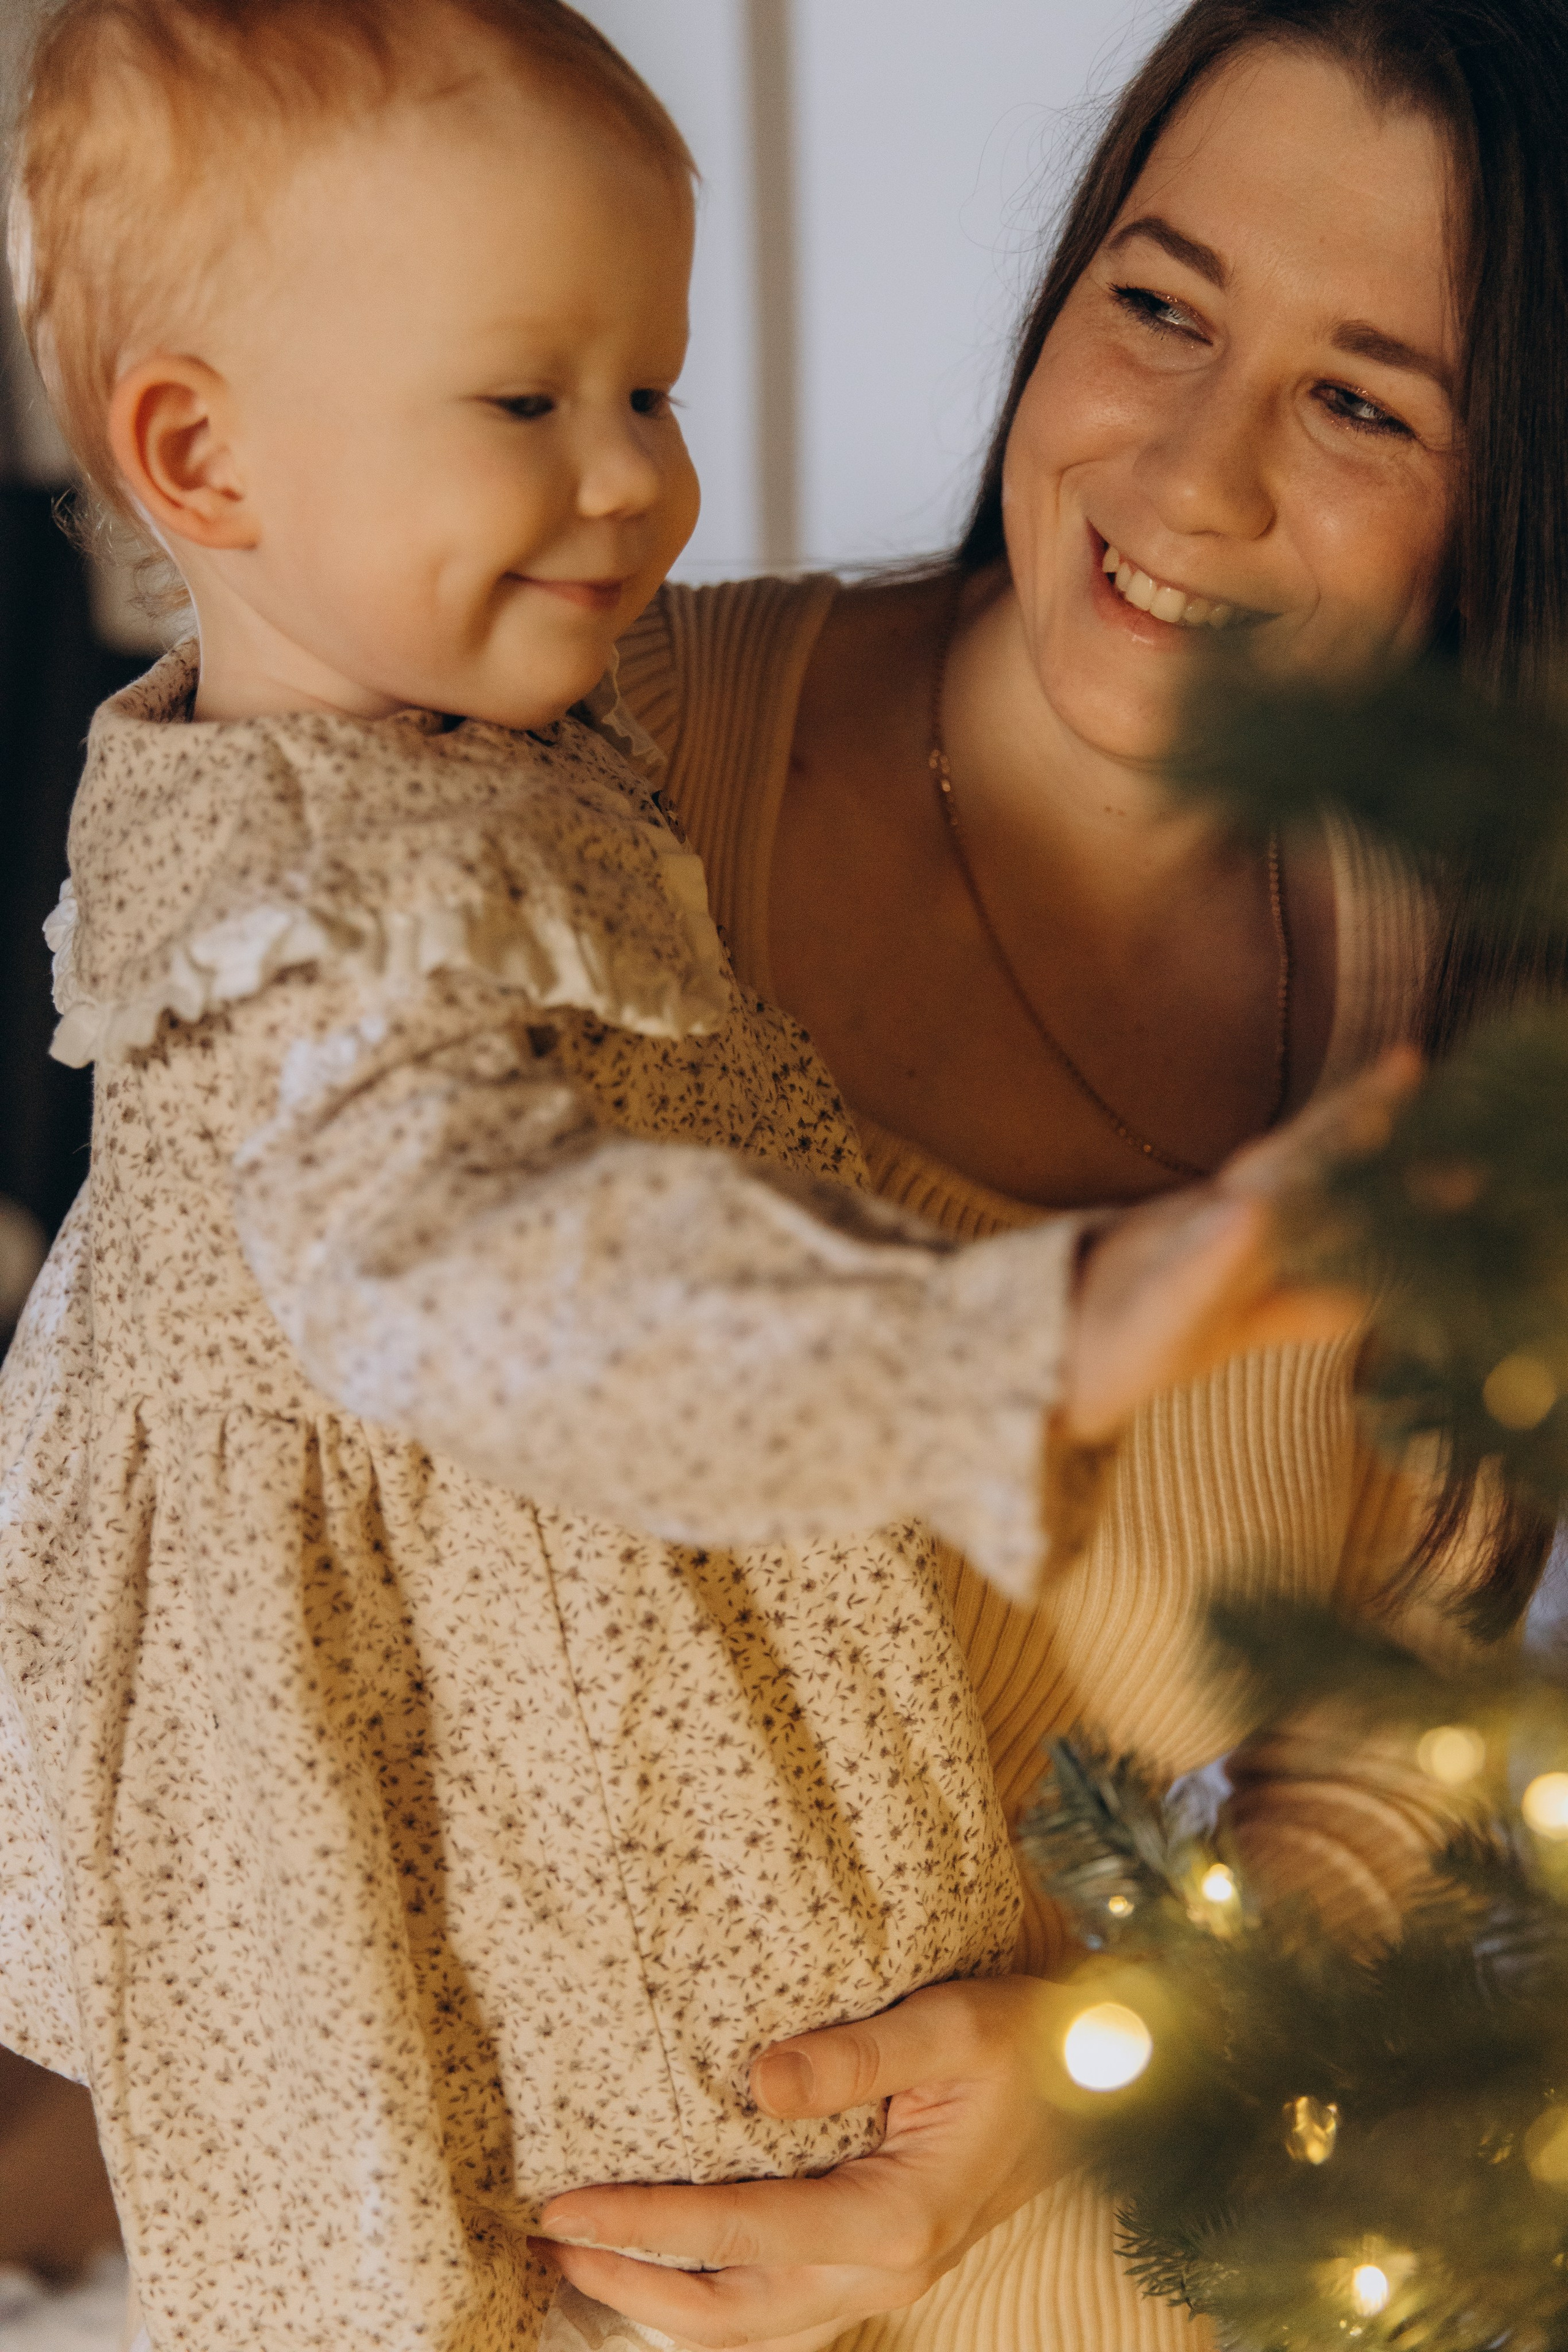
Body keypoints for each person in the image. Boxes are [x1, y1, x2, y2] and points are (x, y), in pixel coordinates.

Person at [0, 6, 1370, 2352]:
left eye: (652, 390)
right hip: (480, 1972)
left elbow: (1406, 1761)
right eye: (527, 402)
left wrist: (1107, 2066)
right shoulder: (324, 903)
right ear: (198, 456)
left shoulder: (500, 739)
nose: (631, 483)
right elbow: (499, 1281)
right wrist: (1032, 1329)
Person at [529, 2, 1568, 2347]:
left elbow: (1381, 1734)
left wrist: (1102, 2072)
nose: (1193, 475)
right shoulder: (584, 775)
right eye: (1163, 305)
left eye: (1364, 397)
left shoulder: (1470, 1031)